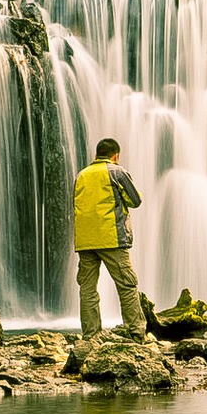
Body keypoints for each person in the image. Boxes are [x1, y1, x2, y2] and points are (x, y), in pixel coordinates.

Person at [72, 137, 148, 343]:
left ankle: (90, 335)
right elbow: (135, 200)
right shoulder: (117, 172)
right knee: (127, 284)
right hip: (112, 238)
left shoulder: (81, 175)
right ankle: (136, 332)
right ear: (116, 155)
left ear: (95, 155)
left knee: (87, 289)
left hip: (85, 240)